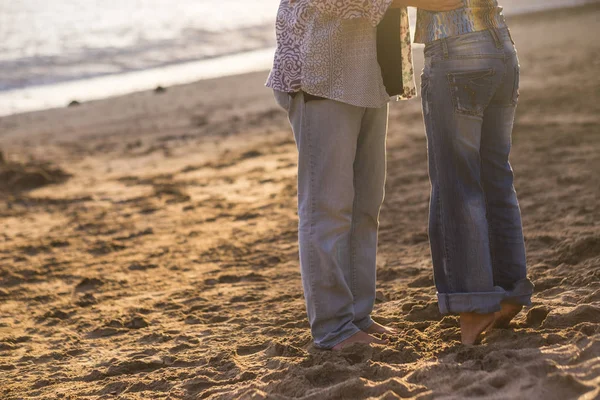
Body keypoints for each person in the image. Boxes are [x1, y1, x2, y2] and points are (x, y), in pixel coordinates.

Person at [266, 0, 462, 351]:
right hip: (321, 71)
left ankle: (357, 316)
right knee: (327, 209)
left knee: (366, 205)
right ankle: (333, 328)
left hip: (368, 70)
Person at [415, 1, 535, 344]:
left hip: (457, 54)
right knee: (496, 178)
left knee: (457, 186)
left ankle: (474, 306)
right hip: (501, 45)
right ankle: (510, 290)